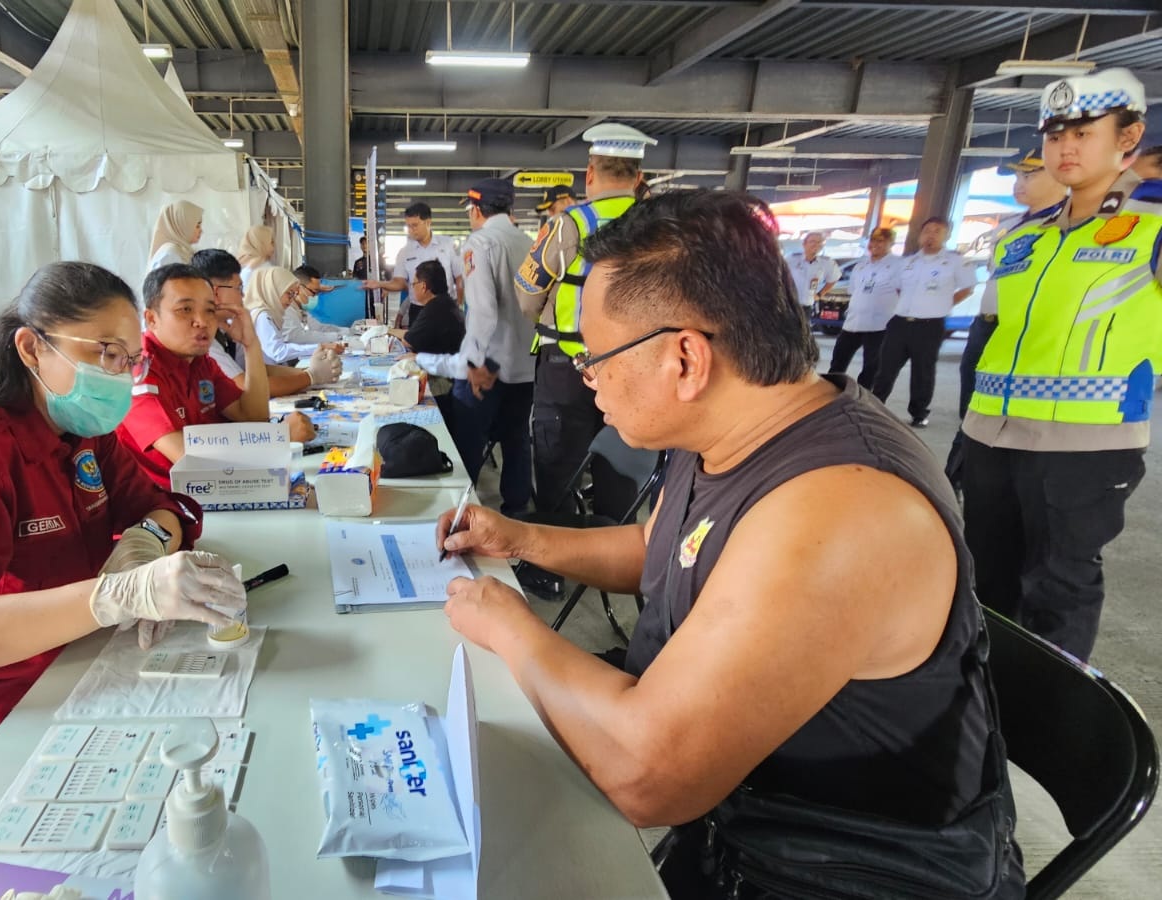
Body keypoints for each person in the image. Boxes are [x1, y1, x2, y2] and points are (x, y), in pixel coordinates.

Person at [437, 189, 1022, 899]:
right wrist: (519, 537)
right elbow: (659, 550)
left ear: (686, 357)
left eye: (595, 358)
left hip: (834, 868)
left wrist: (510, 626)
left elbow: (646, 776)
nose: (587, 380)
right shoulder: (732, 428)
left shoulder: (842, 510)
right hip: (743, 820)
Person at [0, 262, 245, 829]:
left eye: (127, 358)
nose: (117, 374)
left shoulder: (82, 432)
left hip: (62, 675)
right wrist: (115, 596)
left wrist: (144, 544)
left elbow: (163, 507)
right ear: (31, 348)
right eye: (103, 353)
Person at [963, 68, 1160, 663]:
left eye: (1083, 131)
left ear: (1128, 138)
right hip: (990, 438)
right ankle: (988, 710)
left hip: (1087, 448)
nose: (1065, 147)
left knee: (1058, 591)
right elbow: (988, 336)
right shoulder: (1020, 241)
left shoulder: (1152, 230)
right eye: (1054, 134)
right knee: (986, 585)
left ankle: (1046, 734)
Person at [516, 123, 656, 521]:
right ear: (639, 177)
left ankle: (553, 573)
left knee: (557, 465)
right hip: (635, 369)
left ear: (590, 173)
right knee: (621, 469)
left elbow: (528, 296)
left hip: (567, 367)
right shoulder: (662, 226)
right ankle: (613, 551)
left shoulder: (570, 224)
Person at [116, 264, 314, 486]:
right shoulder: (137, 369)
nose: (201, 321)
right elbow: (187, 459)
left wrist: (251, 345)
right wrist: (277, 439)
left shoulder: (199, 361)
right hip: (171, 501)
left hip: (219, 487)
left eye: (209, 310)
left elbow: (252, 417)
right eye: (185, 310)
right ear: (152, 319)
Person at [944, 148, 1068, 488]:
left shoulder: (1070, 226)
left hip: (1027, 329)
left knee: (1015, 412)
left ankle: (968, 475)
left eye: (1029, 175)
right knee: (974, 406)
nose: (1019, 183)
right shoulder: (1009, 227)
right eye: (1017, 176)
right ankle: (960, 473)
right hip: (987, 325)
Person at [439, 178, 536, 515]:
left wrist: (474, 362)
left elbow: (482, 310)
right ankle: (517, 512)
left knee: (468, 440)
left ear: (476, 209)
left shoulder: (480, 243)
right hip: (525, 364)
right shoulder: (529, 242)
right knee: (516, 440)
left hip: (488, 366)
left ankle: (461, 513)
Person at [872, 217, 977, 427]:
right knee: (886, 368)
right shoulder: (908, 262)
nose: (931, 235)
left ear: (946, 236)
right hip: (901, 322)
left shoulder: (955, 261)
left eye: (937, 231)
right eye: (927, 230)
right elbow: (899, 288)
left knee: (923, 371)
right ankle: (875, 407)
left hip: (929, 325)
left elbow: (968, 288)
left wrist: (942, 305)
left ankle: (919, 413)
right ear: (920, 235)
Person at [192, 249, 341, 397]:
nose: (243, 295)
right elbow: (247, 387)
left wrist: (310, 373)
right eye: (239, 288)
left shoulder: (227, 328)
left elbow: (258, 371)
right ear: (216, 293)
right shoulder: (206, 341)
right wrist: (310, 376)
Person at [825, 227, 901, 389]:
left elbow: (902, 293)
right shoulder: (861, 265)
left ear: (890, 243)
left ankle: (863, 400)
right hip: (853, 323)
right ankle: (832, 396)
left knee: (871, 367)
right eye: (873, 240)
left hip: (879, 325)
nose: (875, 244)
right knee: (838, 362)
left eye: (880, 241)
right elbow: (853, 290)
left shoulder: (898, 265)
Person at [363, 201, 465, 322]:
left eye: (415, 225)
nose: (411, 230)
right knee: (415, 341)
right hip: (418, 310)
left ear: (428, 222)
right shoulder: (405, 252)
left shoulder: (448, 245)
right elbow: (399, 282)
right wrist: (380, 284)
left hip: (446, 308)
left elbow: (460, 278)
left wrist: (459, 305)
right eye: (409, 226)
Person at [242, 267, 346, 367]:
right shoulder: (262, 315)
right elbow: (278, 352)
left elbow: (318, 327)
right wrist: (320, 347)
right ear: (275, 290)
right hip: (268, 375)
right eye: (289, 294)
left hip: (275, 369)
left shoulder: (275, 313)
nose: (291, 299)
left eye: (294, 294)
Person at [401, 259, 465, 355]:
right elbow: (413, 334)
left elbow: (408, 342)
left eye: (413, 284)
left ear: (423, 286)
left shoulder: (434, 309)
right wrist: (388, 331)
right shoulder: (446, 303)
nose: (412, 288)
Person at [784, 231, 842, 319]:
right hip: (789, 306)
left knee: (803, 332)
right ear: (804, 244)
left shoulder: (826, 263)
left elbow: (834, 278)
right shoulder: (791, 259)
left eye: (819, 242)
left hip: (807, 307)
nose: (816, 245)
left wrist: (820, 294)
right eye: (813, 241)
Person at [147, 201, 203, 271]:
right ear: (182, 225)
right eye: (197, 226)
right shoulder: (170, 255)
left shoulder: (183, 251)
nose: (201, 231)